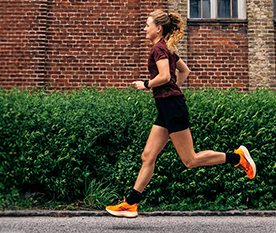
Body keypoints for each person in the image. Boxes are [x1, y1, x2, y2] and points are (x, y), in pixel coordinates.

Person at [105, 10, 256, 218]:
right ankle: (130, 204)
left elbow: (166, 76)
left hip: (172, 107)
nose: (144, 28)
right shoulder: (167, 49)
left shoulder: (159, 49)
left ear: (158, 28)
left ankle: (236, 157)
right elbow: (184, 72)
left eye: (147, 25)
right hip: (167, 107)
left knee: (190, 160)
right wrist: (173, 91)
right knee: (147, 156)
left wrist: (147, 84)